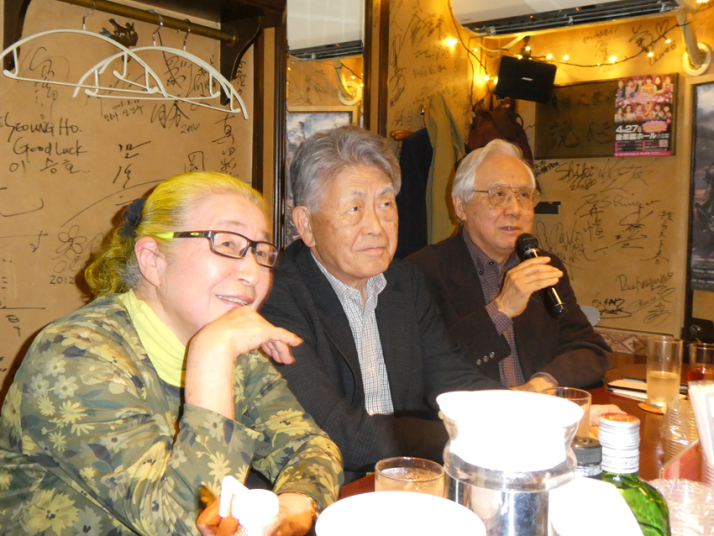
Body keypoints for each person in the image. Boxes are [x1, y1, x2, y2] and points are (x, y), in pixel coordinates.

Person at [0, 172, 343, 536]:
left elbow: (311, 445)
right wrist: (211, 356)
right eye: (227, 243)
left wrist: (294, 503)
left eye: (261, 252)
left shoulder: (233, 352)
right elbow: (183, 527)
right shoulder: (74, 356)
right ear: (152, 259)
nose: (253, 272)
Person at [260, 126, 503, 483]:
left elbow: (451, 376)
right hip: (324, 490)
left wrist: (518, 415)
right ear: (306, 225)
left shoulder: (406, 282)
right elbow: (335, 429)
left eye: (386, 204)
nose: (376, 226)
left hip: (410, 480)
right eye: (354, 208)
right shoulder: (277, 295)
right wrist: (465, 436)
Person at [406, 140, 611, 393]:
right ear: (461, 207)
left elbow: (589, 347)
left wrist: (540, 384)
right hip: (470, 414)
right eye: (498, 194)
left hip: (540, 409)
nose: (514, 210)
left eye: (524, 195)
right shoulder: (421, 272)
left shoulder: (543, 265)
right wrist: (501, 309)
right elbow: (424, 367)